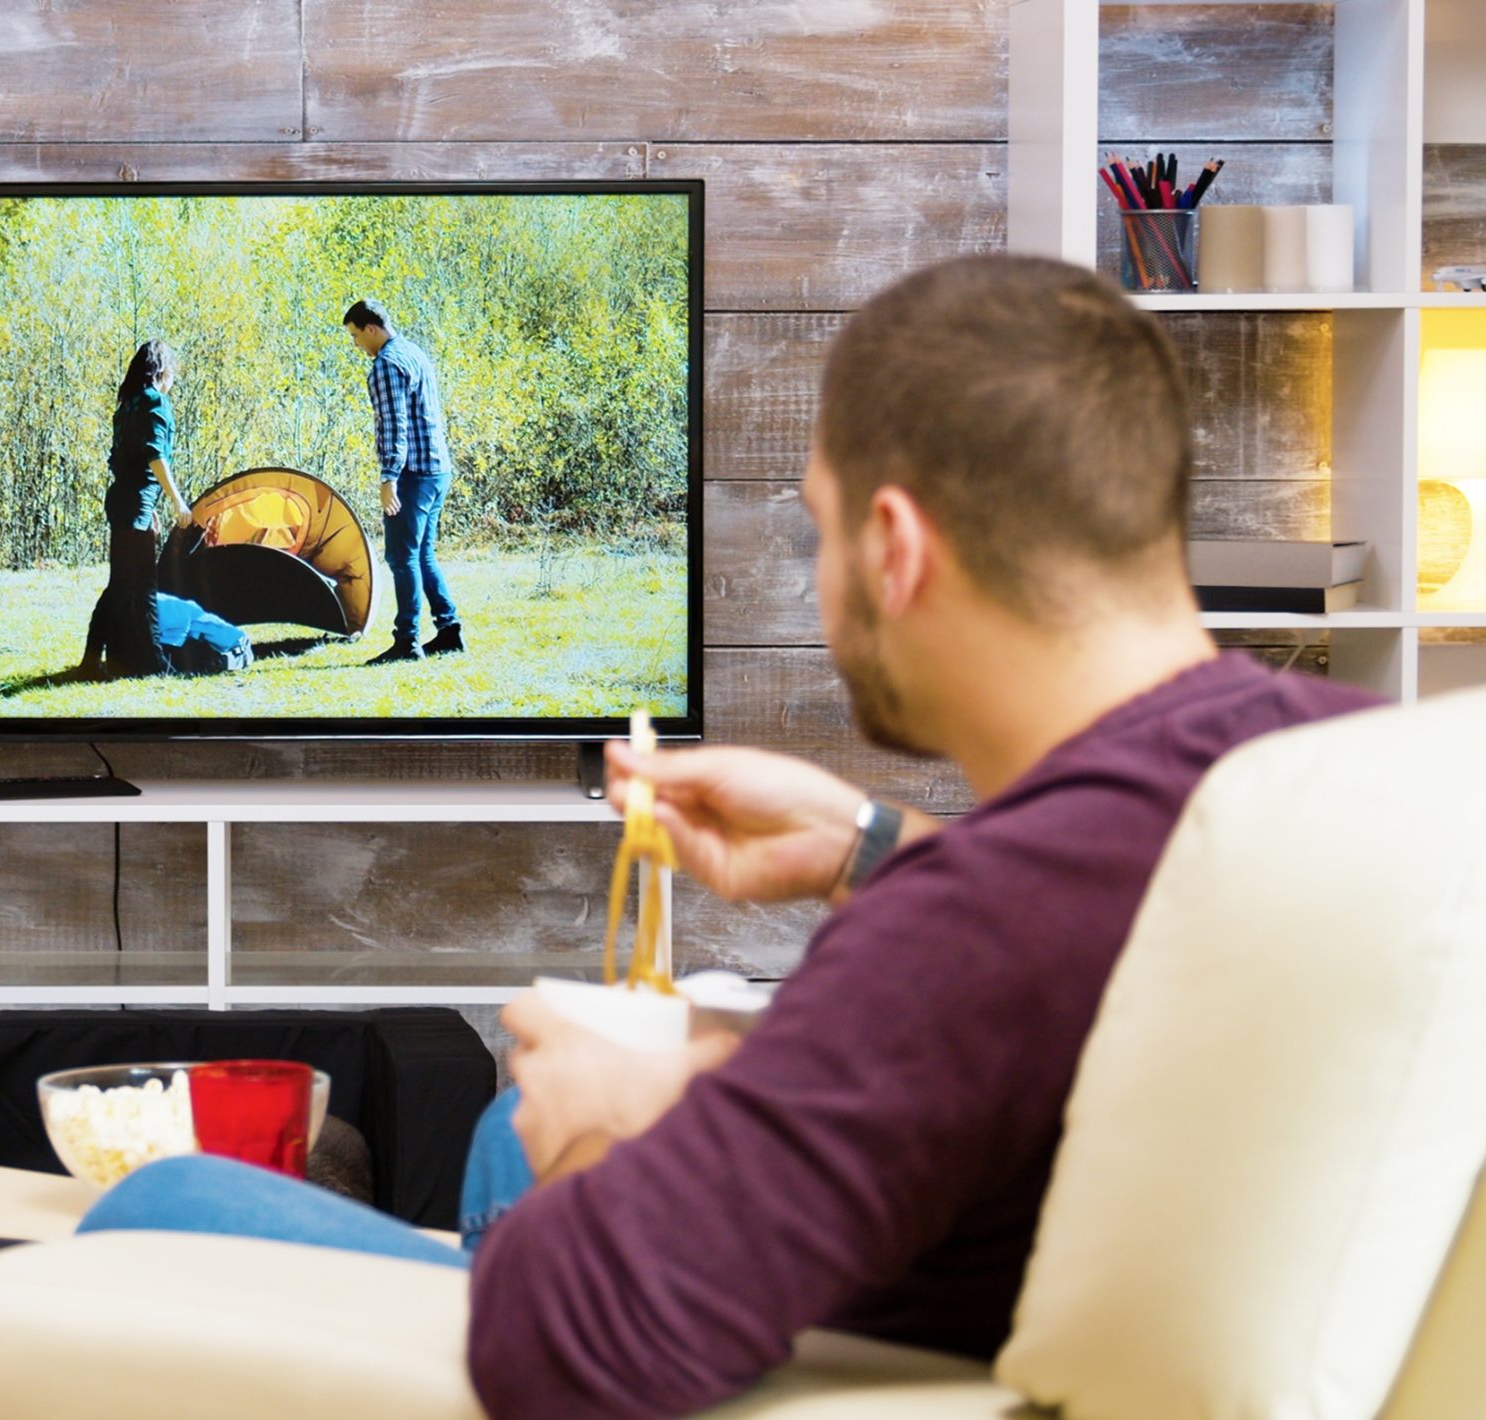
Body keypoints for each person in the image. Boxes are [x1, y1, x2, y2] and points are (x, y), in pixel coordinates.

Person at [78, 255, 1381, 1419]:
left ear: (896, 547)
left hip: (740, 1343)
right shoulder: (1322, 758)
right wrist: (868, 845)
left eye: (819, 527)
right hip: (1012, 1230)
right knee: (488, 1131)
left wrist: (602, 1119)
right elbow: (1113, 931)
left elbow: (574, 1347)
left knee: (162, 1206)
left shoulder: (968, 932)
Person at [344, 300, 461, 663]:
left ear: (372, 329)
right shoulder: (414, 353)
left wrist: (388, 477)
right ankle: (449, 631)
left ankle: (407, 643)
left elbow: (394, 425)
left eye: (355, 336)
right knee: (423, 554)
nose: (356, 345)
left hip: (412, 474)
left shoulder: (386, 365)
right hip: (438, 469)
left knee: (401, 557)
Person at [82, 340, 191, 678]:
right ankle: (151, 664)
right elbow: (154, 455)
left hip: (124, 502)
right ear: (164, 371)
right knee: (141, 586)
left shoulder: (127, 405)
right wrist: (176, 500)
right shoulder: (155, 402)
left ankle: (103, 658)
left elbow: (125, 462)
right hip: (136, 503)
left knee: (121, 584)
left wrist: (151, 505)